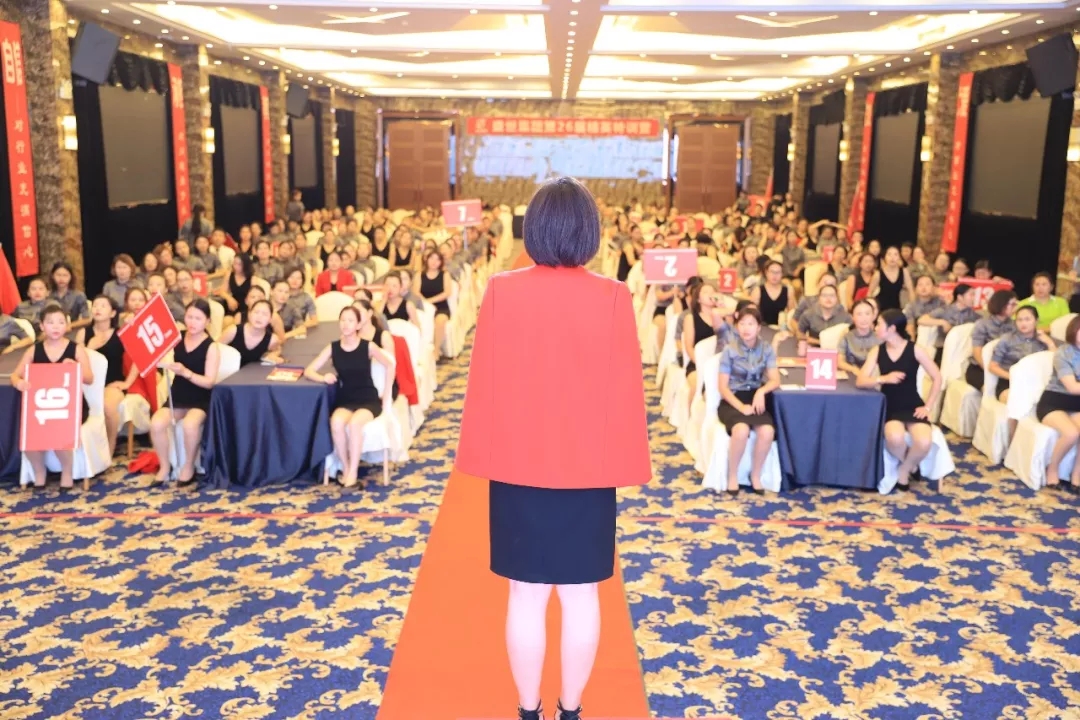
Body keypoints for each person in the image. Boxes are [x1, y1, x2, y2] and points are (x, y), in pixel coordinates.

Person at [455, 177, 650, 720]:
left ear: (534, 227)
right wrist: (627, 462)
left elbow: (484, 383)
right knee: (582, 595)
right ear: (590, 230)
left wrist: (481, 455)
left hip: (518, 467)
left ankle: (528, 710)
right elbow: (626, 391)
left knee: (525, 595)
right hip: (589, 471)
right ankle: (571, 710)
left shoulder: (502, 290)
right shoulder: (613, 296)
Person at [303, 304, 395, 488]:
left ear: (358, 325)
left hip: (368, 399)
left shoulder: (368, 346)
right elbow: (309, 370)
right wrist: (323, 377)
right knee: (336, 422)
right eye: (343, 320)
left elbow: (390, 364)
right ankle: (345, 467)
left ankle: (352, 472)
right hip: (346, 399)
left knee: (354, 424)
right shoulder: (333, 347)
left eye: (350, 320)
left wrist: (387, 393)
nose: (346, 324)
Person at [9, 303, 94, 489]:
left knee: (58, 431)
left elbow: (90, 378)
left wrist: (76, 368)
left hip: (71, 408)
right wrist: (19, 383)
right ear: (42, 326)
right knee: (29, 436)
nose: (56, 326)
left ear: (67, 326)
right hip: (42, 406)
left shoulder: (76, 349)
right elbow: (15, 375)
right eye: (50, 322)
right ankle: (40, 472)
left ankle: (67, 471)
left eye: (60, 322)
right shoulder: (34, 350)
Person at [857, 309, 942, 492]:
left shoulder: (915, 350)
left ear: (892, 328)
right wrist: (883, 379)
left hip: (913, 404)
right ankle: (912, 467)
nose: (875, 327)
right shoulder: (877, 351)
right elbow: (861, 380)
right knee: (894, 438)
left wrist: (928, 407)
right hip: (890, 406)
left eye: (879, 324)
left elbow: (937, 377)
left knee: (924, 441)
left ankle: (904, 470)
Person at [149, 298, 220, 486]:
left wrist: (186, 372)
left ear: (207, 321)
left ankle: (188, 467)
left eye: (198, 318)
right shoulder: (176, 337)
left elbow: (209, 382)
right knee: (156, 423)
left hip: (201, 398)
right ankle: (165, 466)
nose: (192, 322)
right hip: (178, 395)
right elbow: (152, 342)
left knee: (190, 424)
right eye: (189, 317)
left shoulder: (211, 347)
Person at [717, 305, 780, 495]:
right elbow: (723, 387)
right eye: (742, 323)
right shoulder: (730, 350)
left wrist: (761, 391)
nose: (746, 328)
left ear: (759, 327)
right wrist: (740, 406)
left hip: (755, 398)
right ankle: (733, 475)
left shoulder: (766, 349)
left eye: (751, 324)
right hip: (733, 398)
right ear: (737, 326)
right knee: (741, 429)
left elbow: (775, 380)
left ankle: (756, 475)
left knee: (767, 431)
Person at [989, 305, 1053, 443]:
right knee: (1017, 401)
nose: (1023, 323)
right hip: (1008, 383)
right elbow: (992, 366)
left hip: (1036, 384)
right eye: (1019, 320)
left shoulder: (1042, 339)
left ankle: (1038, 444)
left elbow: (1055, 362)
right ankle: (1013, 444)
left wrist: (1049, 343)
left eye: (1027, 319)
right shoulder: (1007, 339)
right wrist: (1014, 378)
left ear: (1036, 320)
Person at [85, 295, 138, 458]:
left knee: (107, 406)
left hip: (112, 383)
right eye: (95, 305)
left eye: (103, 306)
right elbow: (77, 363)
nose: (98, 309)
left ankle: (110, 446)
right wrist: (89, 348)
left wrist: (127, 382)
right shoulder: (83, 333)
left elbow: (139, 357)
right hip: (88, 384)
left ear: (113, 313)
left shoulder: (121, 334)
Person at [1035, 314, 1080, 491]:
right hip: (1054, 401)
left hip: (1077, 405)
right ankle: (1052, 469)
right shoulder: (1063, 353)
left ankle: (1077, 474)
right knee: (1071, 433)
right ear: (1073, 331)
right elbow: (1072, 387)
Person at [965, 290, 1018, 391]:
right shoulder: (983, 324)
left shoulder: (1013, 324)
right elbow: (977, 352)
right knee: (992, 389)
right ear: (1002, 304)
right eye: (1012, 304)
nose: (1015, 308)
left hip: (1003, 367)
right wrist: (991, 371)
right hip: (979, 368)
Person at [918, 282, 982, 363]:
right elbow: (921, 320)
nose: (974, 298)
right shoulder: (945, 310)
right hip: (943, 348)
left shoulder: (974, 315)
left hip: (962, 351)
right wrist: (942, 322)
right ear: (960, 297)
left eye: (974, 295)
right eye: (971, 295)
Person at [219, 299, 282, 366]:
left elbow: (277, 350)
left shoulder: (272, 339)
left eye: (264, 314)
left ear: (270, 319)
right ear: (249, 314)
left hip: (253, 371)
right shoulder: (233, 330)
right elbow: (215, 348)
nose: (259, 317)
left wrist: (273, 355)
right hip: (227, 369)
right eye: (256, 312)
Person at [416, 251, 452, 355]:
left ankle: (436, 350)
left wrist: (430, 301)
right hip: (423, 306)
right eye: (431, 258)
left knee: (440, 321)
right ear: (426, 259)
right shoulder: (419, 274)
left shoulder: (445, 274)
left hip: (441, 307)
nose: (434, 262)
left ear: (441, 262)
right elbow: (416, 292)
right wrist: (426, 303)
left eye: (437, 259)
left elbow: (447, 292)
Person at [837, 300, 881, 375]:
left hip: (875, 375)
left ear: (873, 316)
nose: (864, 318)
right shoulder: (846, 337)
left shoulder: (881, 337)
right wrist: (853, 369)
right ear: (852, 317)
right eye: (859, 314)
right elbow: (839, 362)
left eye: (867, 314)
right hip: (852, 373)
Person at [868, 246, 914, 312]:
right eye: (889, 254)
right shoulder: (878, 273)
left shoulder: (904, 271)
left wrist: (912, 308)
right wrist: (870, 309)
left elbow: (911, 290)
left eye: (895, 254)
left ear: (899, 257)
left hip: (896, 307)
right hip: (880, 307)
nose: (892, 257)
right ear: (885, 257)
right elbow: (870, 292)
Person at [750, 260, 794, 326]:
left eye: (778, 272)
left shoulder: (788, 291)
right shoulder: (758, 291)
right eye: (772, 272)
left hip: (781, 327)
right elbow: (752, 313)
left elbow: (791, 313)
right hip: (762, 326)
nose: (775, 275)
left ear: (782, 274)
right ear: (766, 273)